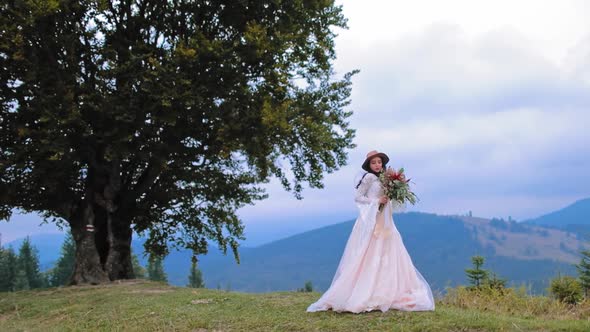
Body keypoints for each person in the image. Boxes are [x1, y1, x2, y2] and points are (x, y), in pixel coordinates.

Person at [306, 150, 435, 313]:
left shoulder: (385, 178)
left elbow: (388, 195)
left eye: (379, 162)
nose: (377, 165)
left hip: (385, 220)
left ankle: (389, 289)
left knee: (390, 250)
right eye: (373, 163)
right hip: (370, 221)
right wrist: (376, 201)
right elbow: (358, 197)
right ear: (369, 165)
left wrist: (392, 195)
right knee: (369, 252)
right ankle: (366, 290)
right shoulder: (368, 178)